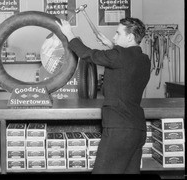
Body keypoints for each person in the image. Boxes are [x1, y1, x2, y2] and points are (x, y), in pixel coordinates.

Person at [56, 17, 151, 174]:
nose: (114, 37)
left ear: (129, 37)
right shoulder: (144, 60)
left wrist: (69, 33)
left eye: (117, 34)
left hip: (119, 130)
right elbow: (126, 60)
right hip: (137, 130)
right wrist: (112, 46)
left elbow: (88, 54)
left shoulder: (118, 56)